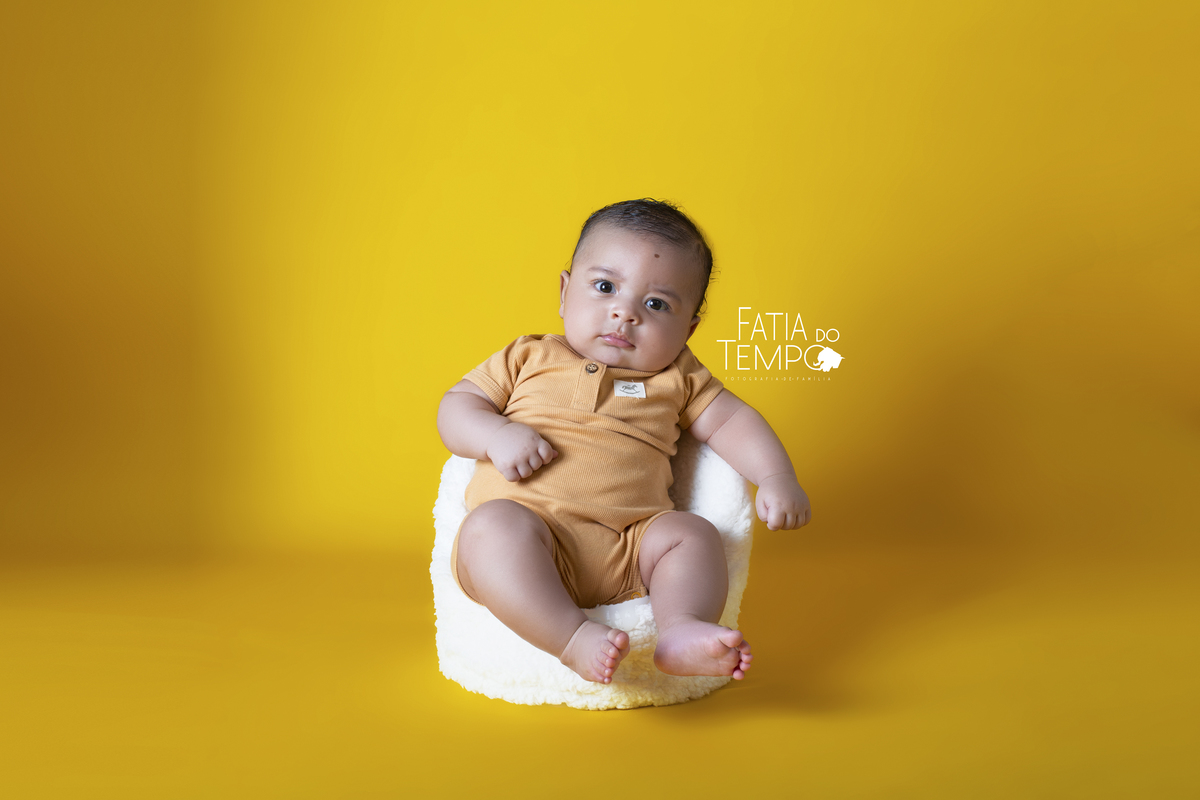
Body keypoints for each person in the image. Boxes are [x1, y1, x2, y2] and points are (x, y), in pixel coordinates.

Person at [436, 199, 811, 685]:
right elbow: (456, 406)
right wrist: (496, 433)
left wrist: (777, 477)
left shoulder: (678, 376)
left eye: (656, 304)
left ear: (688, 328)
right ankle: (570, 638)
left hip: (631, 547)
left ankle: (680, 628)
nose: (624, 313)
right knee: (490, 529)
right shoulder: (529, 355)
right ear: (566, 291)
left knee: (693, 534)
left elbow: (732, 421)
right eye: (605, 287)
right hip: (530, 535)